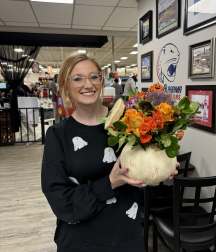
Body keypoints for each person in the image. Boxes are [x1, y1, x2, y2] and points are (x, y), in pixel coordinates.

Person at [41, 53, 149, 252]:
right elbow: (61, 201)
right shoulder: (58, 135)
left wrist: (159, 169)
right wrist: (110, 183)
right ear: (65, 86)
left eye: (94, 76)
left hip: (127, 235)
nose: (88, 84)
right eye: (78, 78)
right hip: (82, 241)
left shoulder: (127, 122)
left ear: (101, 80)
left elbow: (141, 174)